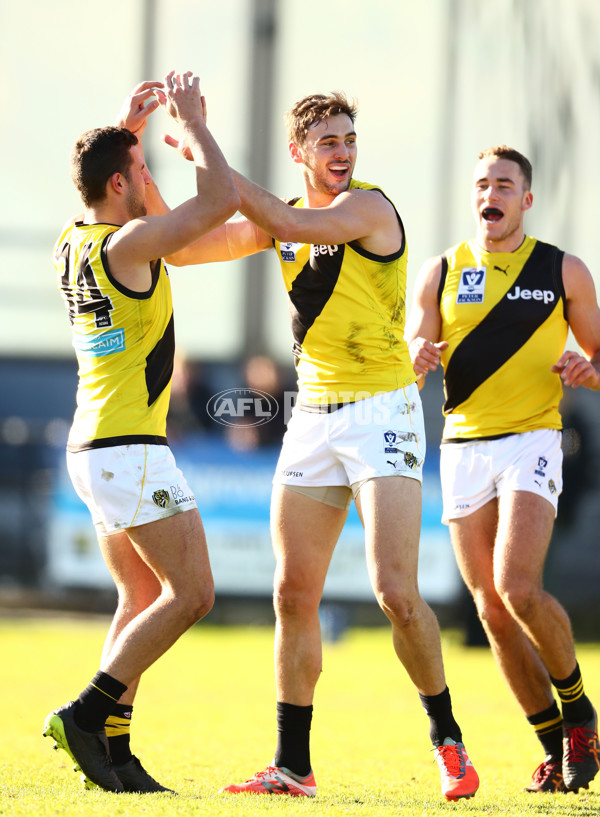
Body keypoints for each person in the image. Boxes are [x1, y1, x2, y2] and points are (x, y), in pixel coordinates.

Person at [163, 92, 479, 801]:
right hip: (313, 416)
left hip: (383, 410)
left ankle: (448, 739)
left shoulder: (369, 209)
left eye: (348, 139)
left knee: (395, 592)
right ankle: (292, 765)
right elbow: (180, 249)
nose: (343, 152)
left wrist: (201, 140)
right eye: (328, 143)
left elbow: (277, 215)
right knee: (292, 590)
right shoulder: (284, 221)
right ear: (300, 153)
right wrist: (162, 156)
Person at [43, 72, 240, 794]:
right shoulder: (132, 245)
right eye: (139, 172)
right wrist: (193, 127)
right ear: (124, 185)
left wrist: (124, 133)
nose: (146, 180)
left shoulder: (74, 240)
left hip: (91, 446)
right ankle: (87, 714)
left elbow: (103, 178)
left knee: (137, 596)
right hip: (130, 448)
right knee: (192, 594)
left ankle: (115, 756)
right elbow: (219, 204)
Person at [405, 145, 600, 794]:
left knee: (518, 586)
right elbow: (409, 350)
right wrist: (418, 354)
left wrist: (587, 370)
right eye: (483, 183)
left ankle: (580, 715)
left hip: (533, 440)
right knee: (490, 609)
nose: (492, 193)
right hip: (463, 447)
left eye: (505, 184)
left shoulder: (563, 269)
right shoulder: (440, 270)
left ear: (526, 200)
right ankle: (553, 743)